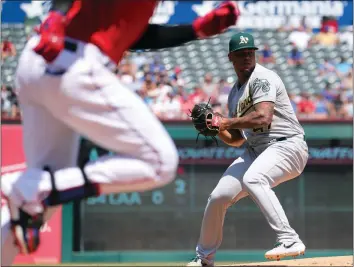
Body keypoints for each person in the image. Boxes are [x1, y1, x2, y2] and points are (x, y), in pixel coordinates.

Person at [1, 1, 240, 265]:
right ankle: (34, 186)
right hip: (71, 61)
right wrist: (57, 16)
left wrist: (194, 30)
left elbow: (135, 35)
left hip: (42, 59)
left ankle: (34, 189)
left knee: (37, 206)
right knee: (160, 162)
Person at [187, 32, 308, 267]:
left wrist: (225, 121)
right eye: (241, 54)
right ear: (230, 57)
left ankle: (289, 239)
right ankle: (204, 258)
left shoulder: (262, 78)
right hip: (257, 150)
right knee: (219, 197)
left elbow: (263, 117)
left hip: (287, 144)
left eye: (250, 53)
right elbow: (238, 140)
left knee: (254, 178)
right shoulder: (235, 94)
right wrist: (217, 128)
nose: (247, 57)